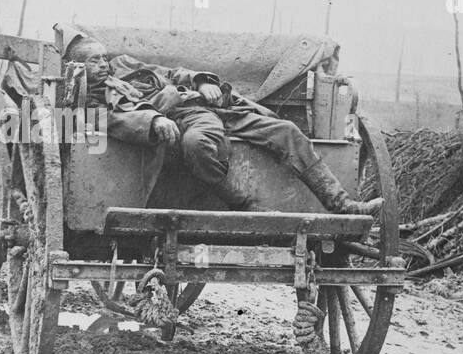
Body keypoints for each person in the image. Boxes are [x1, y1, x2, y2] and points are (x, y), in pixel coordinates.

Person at [63, 34, 383, 217]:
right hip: (186, 120)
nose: (104, 65)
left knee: (286, 132)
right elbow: (117, 122)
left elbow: (173, 73)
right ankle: (245, 207)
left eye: (104, 58)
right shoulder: (89, 103)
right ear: (78, 66)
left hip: (214, 107)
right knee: (197, 145)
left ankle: (342, 204)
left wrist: (202, 82)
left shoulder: (124, 66)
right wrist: (154, 119)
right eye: (94, 61)